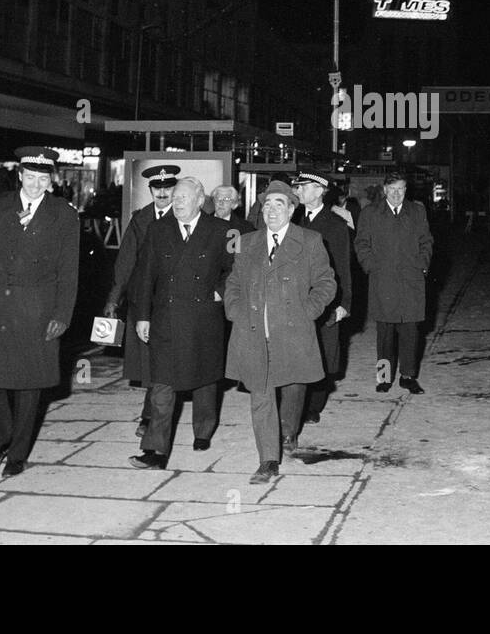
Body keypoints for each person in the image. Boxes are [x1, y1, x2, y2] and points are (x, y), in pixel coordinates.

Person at [0, 146, 79, 478]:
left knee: (30, 385)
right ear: (20, 175)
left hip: (37, 309)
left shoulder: (64, 215)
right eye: (30, 177)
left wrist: (62, 315)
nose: (36, 184)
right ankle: (3, 437)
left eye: (43, 178)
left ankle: (17, 454)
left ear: (51, 180)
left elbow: (70, 273)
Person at [225, 180, 336, 484]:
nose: (271, 210)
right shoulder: (247, 242)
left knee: (292, 386)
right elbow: (233, 283)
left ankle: (289, 432)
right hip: (253, 333)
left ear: (291, 208)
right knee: (261, 395)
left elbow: (327, 282)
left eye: (279, 204)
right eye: (267, 205)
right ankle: (268, 460)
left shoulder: (310, 240)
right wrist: (235, 309)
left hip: (292, 331)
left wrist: (309, 311)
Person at [127, 177, 233, 469]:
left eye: (184, 197)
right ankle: (155, 451)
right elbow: (144, 275)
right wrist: (143, 316)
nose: (178, 202)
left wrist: (219, 292)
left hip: (204, 319)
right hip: (166, 319)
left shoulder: (221, 230)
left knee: (205, 381)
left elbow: (236, 270)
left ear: (200, 201)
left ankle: (203, 430)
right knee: (162, 384)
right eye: (175, 197)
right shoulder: (158, 229)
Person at [105, 164, 180, 438]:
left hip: (173, 300)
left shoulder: (186, 216)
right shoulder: (140, 219)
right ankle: (150, 415)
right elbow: (125, 261)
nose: (162, 193)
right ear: (150, 190)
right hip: (143, 300)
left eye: (167, 188)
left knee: (166, 359)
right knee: (150, 360)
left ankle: (154, 414)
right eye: (157, 189)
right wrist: (114, 298)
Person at [355, 170, 433, 395]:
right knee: (385, 335)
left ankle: (408, 377)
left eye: (401, 189)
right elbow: (361, 243)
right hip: (384, 281)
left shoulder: (417, 211)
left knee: (410, 332)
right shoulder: (370, 213)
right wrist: (371, 266)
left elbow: (426, 241)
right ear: (385, 190)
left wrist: (422, 265)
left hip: (411, 281)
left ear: (406, 189)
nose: (397, 193)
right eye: (392, 189)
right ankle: (384, 378)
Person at [292, 172, 353, 427]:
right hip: (296, 299)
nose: (298, 191)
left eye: (303, 187)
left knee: (324, 353)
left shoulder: (335, 225)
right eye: (298, 187)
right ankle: (298, 402)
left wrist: (344, 304)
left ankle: (314, 405)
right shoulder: (294, 220)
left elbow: (343, 268)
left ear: (319, 191)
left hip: (325, 300)